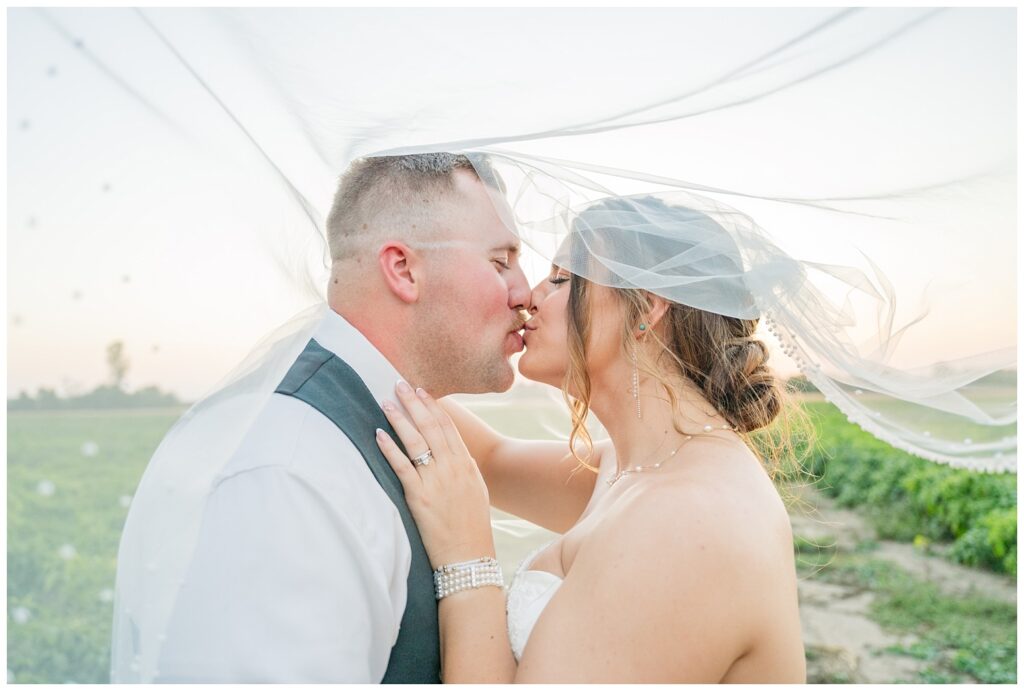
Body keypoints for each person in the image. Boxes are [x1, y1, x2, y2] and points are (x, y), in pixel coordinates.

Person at [111, 153, 531, 682]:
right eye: (501, 261)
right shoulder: (289, 467)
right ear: (404, 270)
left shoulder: (394, 416)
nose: (526, 293)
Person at [375, 195, 807, 682]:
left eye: (562, 279)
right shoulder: (636, 468)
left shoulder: (685, 518)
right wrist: (375, 335)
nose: (529, 296)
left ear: (645, 307)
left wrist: (466, 554)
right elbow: (492, 461)